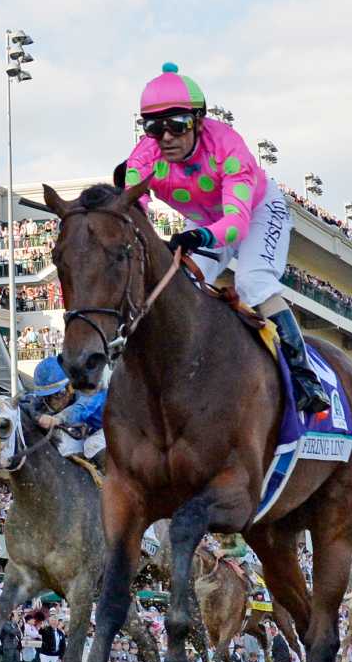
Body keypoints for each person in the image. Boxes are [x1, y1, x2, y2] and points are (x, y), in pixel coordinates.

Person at [123, 63, 326, 413]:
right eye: (155, 127)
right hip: (205, 218)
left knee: (253, 281)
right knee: (176, 282)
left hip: (255, 210)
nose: (166, 137)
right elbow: (132, 207)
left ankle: (303, 377)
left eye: (177, 125)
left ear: (199, 121)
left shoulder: (228, 148)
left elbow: (236, 225)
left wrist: (197, 234)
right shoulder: (143, 157)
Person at [30, 354, 106, 466]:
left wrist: (57, 418)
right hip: (91, 428)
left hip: (115, 427)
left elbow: (81, 408)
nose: (51, 403)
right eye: (47, 397)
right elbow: (30, 398)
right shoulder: (69, 384)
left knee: (92, 446)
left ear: (70, 387)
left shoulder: (92, 385)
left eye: (57, 395)